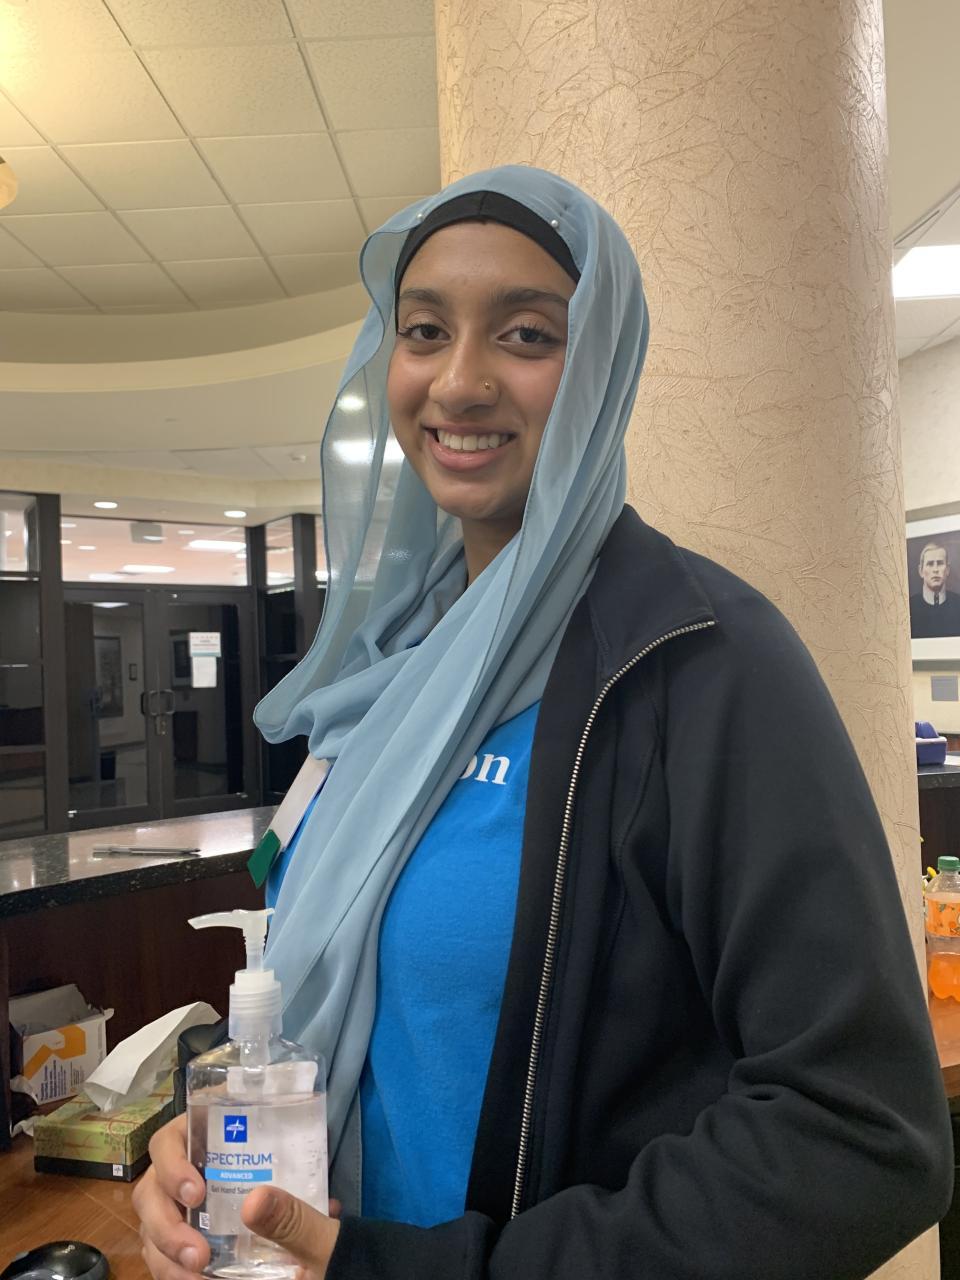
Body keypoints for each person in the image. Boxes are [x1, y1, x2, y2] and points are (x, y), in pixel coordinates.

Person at [133, 167, 952, 1280]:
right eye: (425, 330)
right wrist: (213, 1149)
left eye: (526, 334)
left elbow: (862, 1135)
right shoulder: (396, 673)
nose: (459, 381)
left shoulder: (702, 664)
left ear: (602, 366)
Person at [910, 541, 960, 638]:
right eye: (930, 564)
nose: (935, 569)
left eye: (940, 563)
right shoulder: (910, 607)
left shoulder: (958, 603)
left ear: (947, 570)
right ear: (921, 571)